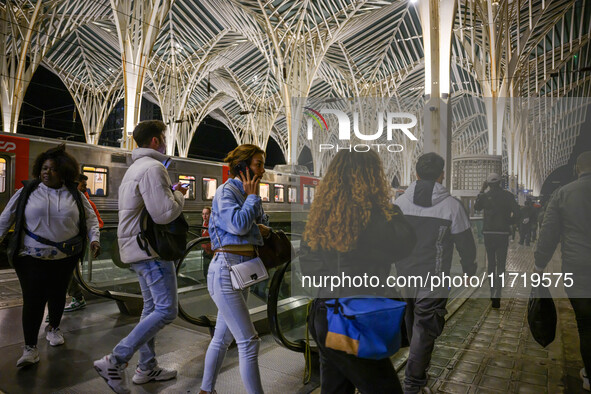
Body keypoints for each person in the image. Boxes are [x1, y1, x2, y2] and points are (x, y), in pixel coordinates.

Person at [300, 149, 415, 393]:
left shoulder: (320, 217)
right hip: (358, 319)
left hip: (325, 314)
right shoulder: (383, 217)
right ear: (374, 177)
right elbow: (406, 244)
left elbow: (309, 268)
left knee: (335, 389)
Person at [94, 120, 187, 394]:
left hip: (135, 249)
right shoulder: (154, 168)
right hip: (151, 251)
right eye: (165, 137)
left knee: (150, 308)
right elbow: (165, 214)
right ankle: (116, 359)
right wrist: (179, 195)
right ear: (156, 141)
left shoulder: (134, 168)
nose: (167, 142)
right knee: (167, 309)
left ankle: (146, 367)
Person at [0, 144, 100, 367]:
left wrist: (94, 239)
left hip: (65, 257)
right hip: (30, 257)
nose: (47, 172)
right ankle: (30, 348)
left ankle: (54, 328)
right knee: (33, 300)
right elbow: (5, 219)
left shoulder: (75, 195)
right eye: (44, 168)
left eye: (53, 169)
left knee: (58, 295)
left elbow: (91, 219)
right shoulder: (27, 191)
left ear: (63, 172)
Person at [394, 152, 476, 394]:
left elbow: (391, 240)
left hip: (404, 274)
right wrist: (470, 270)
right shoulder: (452, 206)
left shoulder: (400, 203)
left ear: (416, 174)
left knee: (413, 324)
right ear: (442, 175)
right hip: (434, 277)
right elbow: (466, 243)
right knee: (424, 329)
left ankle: (415, 375)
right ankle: (414, 384)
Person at [199, 144, 270, 394]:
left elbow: (262, 224)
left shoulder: (250, 192)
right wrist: (252, 199)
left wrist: (254, 201)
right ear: (242, 167)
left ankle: (206, 391)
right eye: (258, 164)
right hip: (225, 271)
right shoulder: (225, 192)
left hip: (242, 272)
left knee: (223, 338)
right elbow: (240, 226)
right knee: (249, 342)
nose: (263, 170)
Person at [534, 151, 591, 392]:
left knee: (586, 324)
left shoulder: (563, 193)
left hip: (578, 269)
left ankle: (589, 374)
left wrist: (538, 265)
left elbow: (549, 234)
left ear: (578, 169)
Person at [474, 172, 519, 308]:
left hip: (488, 233)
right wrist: (508, 222)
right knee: (501, 264)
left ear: (488, 183)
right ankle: (497, 292)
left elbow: (476, 207)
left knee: (491, 263)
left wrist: (482, 190)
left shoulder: (485, 196)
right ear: (500, 182)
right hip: (502, 233)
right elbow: (518, 213)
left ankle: (492, 291)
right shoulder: (508, 196)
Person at [63, 174, 104, 313]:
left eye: (84, 186)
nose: (85, 188)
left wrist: (91, 236)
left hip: (77, 243)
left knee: (70, 273)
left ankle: (78, 298)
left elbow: (97, 222)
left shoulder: (87, 202)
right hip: (66, 243)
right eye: (83, 185)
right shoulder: (69, 199)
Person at [201, 206, 213, 283]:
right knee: (205, 271)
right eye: (203, 214)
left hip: (212, 253)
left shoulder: (212, 225)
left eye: (207, 214)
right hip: (206, 252)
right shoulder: (204, 224)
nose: (204, 216)